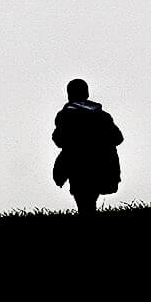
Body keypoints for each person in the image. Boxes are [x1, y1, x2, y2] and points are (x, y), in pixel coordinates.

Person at [51, 79, 123, 215]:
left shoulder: (65, 116)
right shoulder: (103, 115)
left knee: (84, 202)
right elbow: (117, 138)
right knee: (89, 201)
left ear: (69, 94)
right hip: (102, 165)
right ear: (87, 93)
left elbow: (59, 140)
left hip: (78, 166)